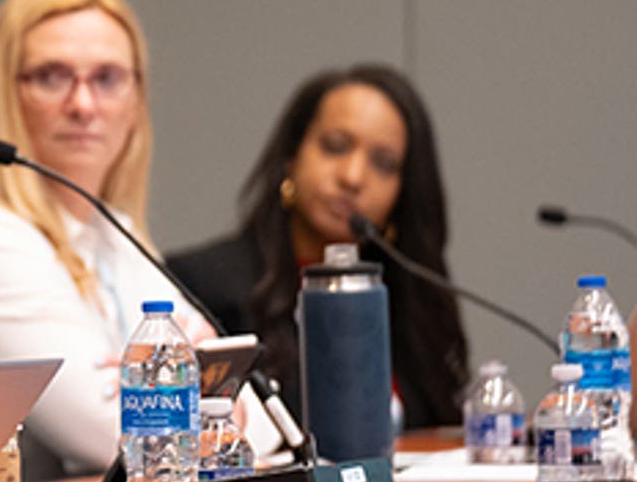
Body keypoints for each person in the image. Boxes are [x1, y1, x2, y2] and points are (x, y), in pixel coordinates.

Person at [0, 0, 261, 477]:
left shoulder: (110, 230)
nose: (83, 105)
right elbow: (121, 440)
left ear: (136, 101)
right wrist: (190, 392)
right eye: (52, 76)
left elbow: (265, 424)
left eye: (107, 79)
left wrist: (178, 398)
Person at [170, 64, 469, 427]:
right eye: (335, 147)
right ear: (291, 157)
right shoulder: (206, 284)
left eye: (384, 164)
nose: (353, 177)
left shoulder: (413, 298)